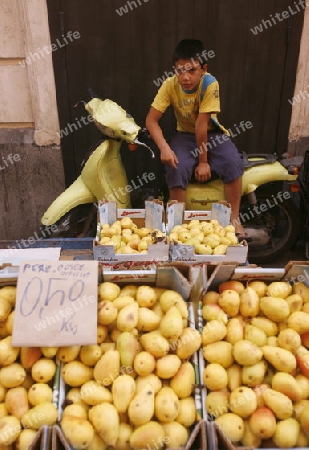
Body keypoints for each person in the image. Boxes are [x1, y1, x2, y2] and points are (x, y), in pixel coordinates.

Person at [145, 38, 249, 239]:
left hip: (212, 134)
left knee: (233, 162)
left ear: (203, 69)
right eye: (179, 70)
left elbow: (202, 125)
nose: (185, 77)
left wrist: (203, 163)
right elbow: (151, 120)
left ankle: (235, 220)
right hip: (185, 136)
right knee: (177, 165)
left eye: (191, 70)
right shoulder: (169, 85)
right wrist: (164, 148)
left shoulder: (210, 83)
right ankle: (178, 224)